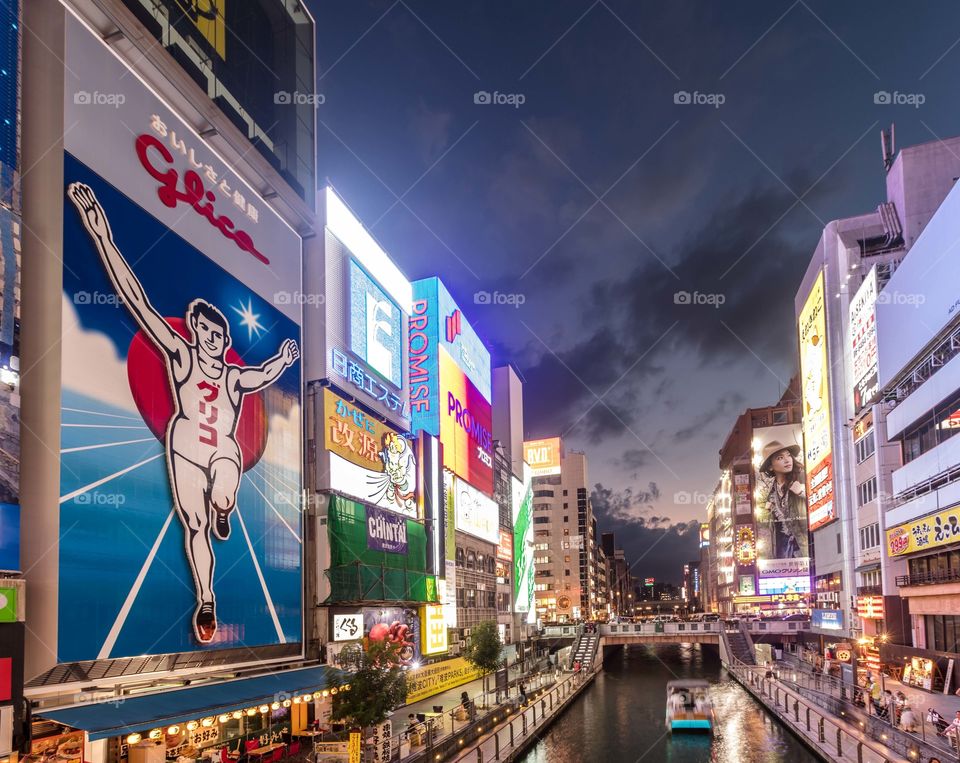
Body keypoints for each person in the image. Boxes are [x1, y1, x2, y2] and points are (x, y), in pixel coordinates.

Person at [68, 183, 299, 644]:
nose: (213, 339)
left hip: (222, 451)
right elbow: (138, 302)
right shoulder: (179, 355)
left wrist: (287, 360)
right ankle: (207, 599)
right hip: (184, 446)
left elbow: (264, 374)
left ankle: (224, 504)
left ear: (224, 337)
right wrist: (101, 237)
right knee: (194, 527)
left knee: (227, 469)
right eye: (206, 331)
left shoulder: (234, 376)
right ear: (194, 330)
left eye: (219, 333)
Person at [756, 441, 808, 560]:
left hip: (805, 544)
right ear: (770, 466)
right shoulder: (771, 493)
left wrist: (802, 492)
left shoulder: (801, 478)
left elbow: (822, 501)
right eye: (780, 457)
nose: (787, 460)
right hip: (784, 551)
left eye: (788, 455)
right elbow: (770, 528)